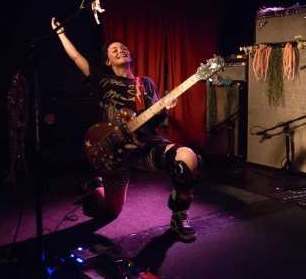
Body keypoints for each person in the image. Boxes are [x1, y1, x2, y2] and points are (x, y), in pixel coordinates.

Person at [51, 17, 200, 242]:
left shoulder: (146, 84)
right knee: (111, 211)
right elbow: (75, 57)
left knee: (187, 159)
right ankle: (96, 187)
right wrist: (60, 32)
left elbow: (156, 122)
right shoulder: (102, 79)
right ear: (108, 61)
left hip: (143, 148)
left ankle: (179, 216)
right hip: (114, 153)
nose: (120, 50)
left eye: (123, 48)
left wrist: (165, 109)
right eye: (114, 49)